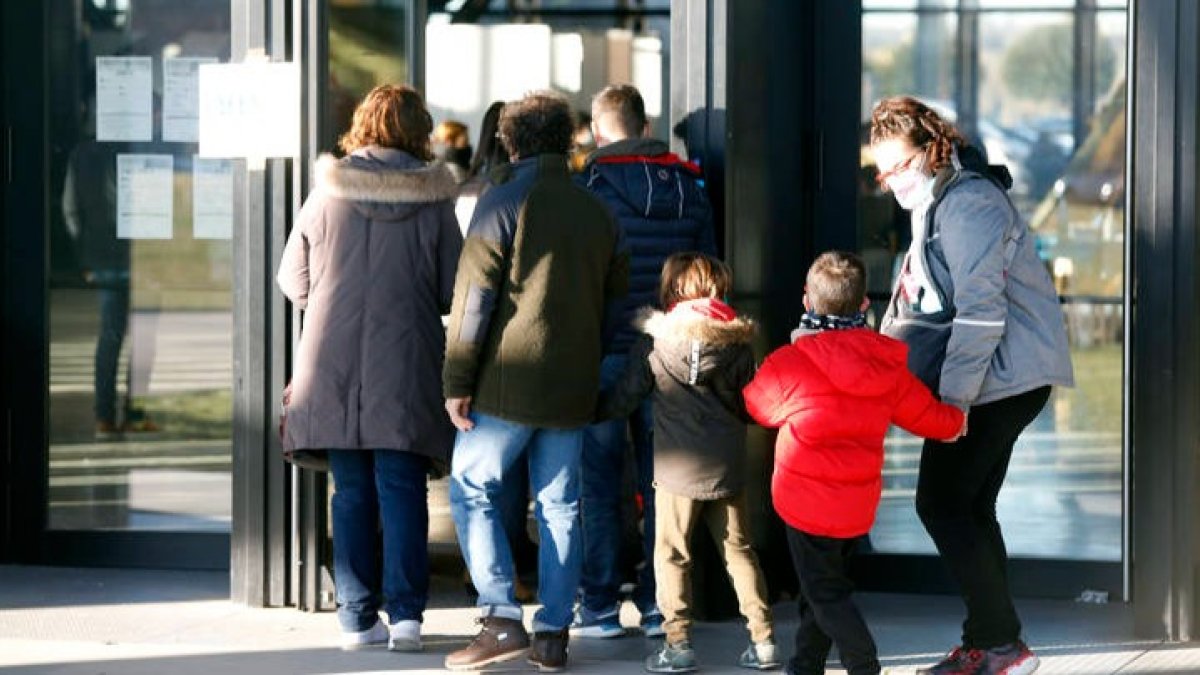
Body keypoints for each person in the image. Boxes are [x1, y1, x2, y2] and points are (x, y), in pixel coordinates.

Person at [869, 95, 1074, 675]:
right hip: (995, 376)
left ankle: (1000, 645)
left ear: (930, 150)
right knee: (970, 508)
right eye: (882, 173)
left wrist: (954, 403)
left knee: (940, 503)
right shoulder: (938, 202)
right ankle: (992, 642)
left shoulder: (969, 204)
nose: (892, 181)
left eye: (899, 166)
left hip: (999, 378)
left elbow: (982, 312)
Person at [443, 91, 630, 672]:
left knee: (470, 488)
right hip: (572, 384)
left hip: (507, 382)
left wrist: (456, 380)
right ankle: (552, 634)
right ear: (567, 139)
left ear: (510, 141)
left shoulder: (500, 201)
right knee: (561, 507)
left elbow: (474, 303)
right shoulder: (597, 210)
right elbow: (615, 305)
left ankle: (501, 620)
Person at [276, 84, 462, 652]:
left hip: (330, 357)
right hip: (404, 356)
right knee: (402, 488)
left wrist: (328, 303)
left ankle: (356, 619)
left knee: (351, 491)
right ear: (417, 131)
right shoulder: (434, 199)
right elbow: (452, 288)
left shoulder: (327, 191)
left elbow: (291, 278)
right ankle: (406, 619)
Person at [742, 251, 967, 675]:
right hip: (854, 507)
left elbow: (757, 406)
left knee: (825, 594)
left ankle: (864, 666)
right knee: (822, 589)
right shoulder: (885, 364)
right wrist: (957, 421)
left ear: (807, 300)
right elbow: (927, 416)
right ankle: (805, 665)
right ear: (864, 304)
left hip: (803, 504)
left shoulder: (791, 362)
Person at [575, 83, 717, 641]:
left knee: (599, 483)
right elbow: (708, 271)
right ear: (646, 125)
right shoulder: (689, 184)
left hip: (605, 352)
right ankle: (662, 605)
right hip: (670, 353)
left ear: (597, 129)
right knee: (666, 484)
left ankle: (600, 605)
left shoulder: (589, 187)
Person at [597, 252, 778, 674]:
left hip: (676, 473)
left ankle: (678, 647)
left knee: (672, 556)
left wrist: (585, 411)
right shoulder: (737, 345)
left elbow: (626, 396)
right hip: (726, 468)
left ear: (675, 287)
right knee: (739, 553)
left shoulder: (655, 342)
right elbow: (750, 406)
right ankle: (764, 640)